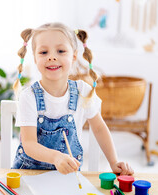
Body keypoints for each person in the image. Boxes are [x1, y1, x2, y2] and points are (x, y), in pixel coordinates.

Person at [12, 22, 133, 175]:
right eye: (43, 53)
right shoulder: (28, 96)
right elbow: (29, 144)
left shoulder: (83, 91)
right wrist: (55, 157)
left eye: (61, 51)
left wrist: (114, 162)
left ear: (74, 56)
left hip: (68, 176)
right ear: (35, 58)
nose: (52, 57)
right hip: (30, 173)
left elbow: (99, 128)